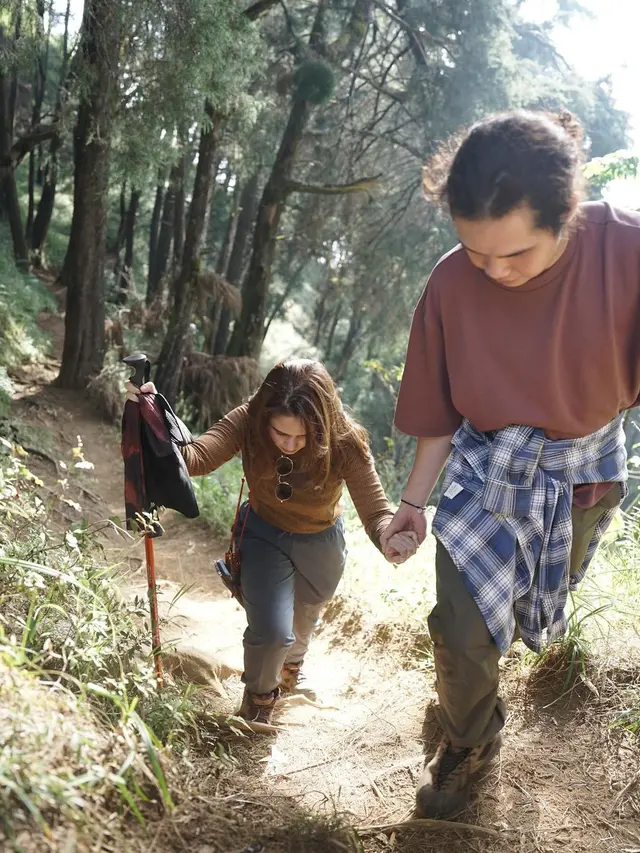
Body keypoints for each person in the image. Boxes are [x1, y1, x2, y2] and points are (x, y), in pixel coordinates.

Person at [381, 110, 640, 819]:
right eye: (475, 250)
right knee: (461, 627)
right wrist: (411, 504)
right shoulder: (448, 286)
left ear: (569, 214)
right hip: (481, 474)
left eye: (516, 254)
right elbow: (437, 418)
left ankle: (472, 697)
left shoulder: (628, 252)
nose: (493, 271)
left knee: (527, 620)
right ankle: (471, 738)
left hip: (581, 477)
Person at [126, 358, 417, 724]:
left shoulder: (343, 439)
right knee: (272, 631)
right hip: (263, 534)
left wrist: (390, 538)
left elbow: (376, 512)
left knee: (301, 625)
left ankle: (292, 670)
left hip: (322, 545)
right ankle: (259, 703)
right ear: (265, 418)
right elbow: (195, 458)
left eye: (302, 436)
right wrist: (153, 417)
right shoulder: (248, 420)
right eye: (281, 434)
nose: (291, 444)